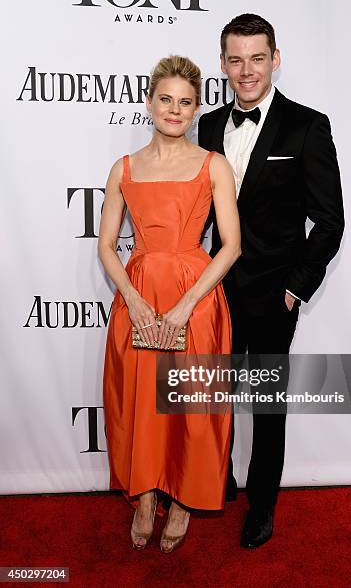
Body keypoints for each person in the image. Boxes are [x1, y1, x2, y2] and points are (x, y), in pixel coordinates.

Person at [199, 13, 345, 548]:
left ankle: (262, 505)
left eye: (257, 58)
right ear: (222, 65)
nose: (246, 70)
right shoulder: (208, 126)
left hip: (271, 295)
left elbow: (329, 221)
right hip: (214, 292)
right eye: (235, 60)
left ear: (274, 60)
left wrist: (295, 286)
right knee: (212, 397)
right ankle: (218, 483)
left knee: (265, 404)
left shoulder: (307, 125)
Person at [99, 55, 241, 553]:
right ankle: (144, 497)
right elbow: (105, 246)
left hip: (195, 299)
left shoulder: (212, 165)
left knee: (190, 408)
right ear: (149, 102)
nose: (174, 110)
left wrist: (185, 306)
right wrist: (133, 300)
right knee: (141, 405)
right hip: (139, 297)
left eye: (185, 102)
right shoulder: (125, 168)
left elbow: (231, 246)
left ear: (198, 108)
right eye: (166, 99)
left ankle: (181, 501)